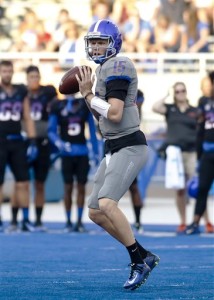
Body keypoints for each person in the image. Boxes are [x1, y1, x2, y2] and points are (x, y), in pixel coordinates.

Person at [75, 19, 160, 290]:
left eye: (102, 41)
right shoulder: (104, 70)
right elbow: (102, 117)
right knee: (95, 212)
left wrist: (88, 95)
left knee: (108, 203)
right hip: (113, 146)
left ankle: (138, 260)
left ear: (113, 43)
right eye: (94, 42)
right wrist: (87, 96)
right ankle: (143, 254)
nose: (97, 47)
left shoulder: (118, 65)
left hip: (130, 145)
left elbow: (114, 113)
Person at [152, 81, 213, 233]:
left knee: (199, 187)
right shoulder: (170, 109)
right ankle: (183, 222)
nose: (181, 93)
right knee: (179, 189)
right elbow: (155, 107)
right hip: (175, 154)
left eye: (183, 90)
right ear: (174, 93)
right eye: (177, 91)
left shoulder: (194, 110)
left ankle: (206, 222)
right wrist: (165, 95)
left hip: (192, 151)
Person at [48, 95, 99, 233]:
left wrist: (95, 153)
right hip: (67, 154)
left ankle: (79, 221)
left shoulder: (84, 105)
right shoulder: (58, 106)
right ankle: (68, 221)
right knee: (68, 187)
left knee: (81, 187)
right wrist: (60, 143)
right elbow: (51, 130)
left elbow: (92, 132)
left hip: (82, 151)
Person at [0, 60, 37, 232]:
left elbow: (27, 116)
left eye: (9, 71)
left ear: (13, 72)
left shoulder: (21, 91)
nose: (7, 74)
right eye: (4, 71)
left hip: (16, 140)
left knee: (23, 182)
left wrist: (32, 139)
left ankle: (25, 219)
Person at [25, 65, 57, 230]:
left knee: (39, 183)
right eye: (31, 77)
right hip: (25, 142)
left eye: (37, 76)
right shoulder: (21, 93)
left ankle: (38, 219)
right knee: (21, 182)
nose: (34, 79)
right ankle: (21, 219)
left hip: (43, 142)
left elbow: (57, 98)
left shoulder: (48, 92)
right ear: (26, 78)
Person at [186, 74, 214, 234]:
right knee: (202, 188)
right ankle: (195, 222)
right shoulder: (203, 102)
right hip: (208, 153)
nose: (208, 86)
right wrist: (199, 155)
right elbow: (200, 129)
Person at [129, 89, 145, 233]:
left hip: (131, 147)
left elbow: (137, 109)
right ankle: (107, 219)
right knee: (108, 187)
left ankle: (138, 221)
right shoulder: (111, 91)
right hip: (113, 145)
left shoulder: (137, 94)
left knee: (133, 186)